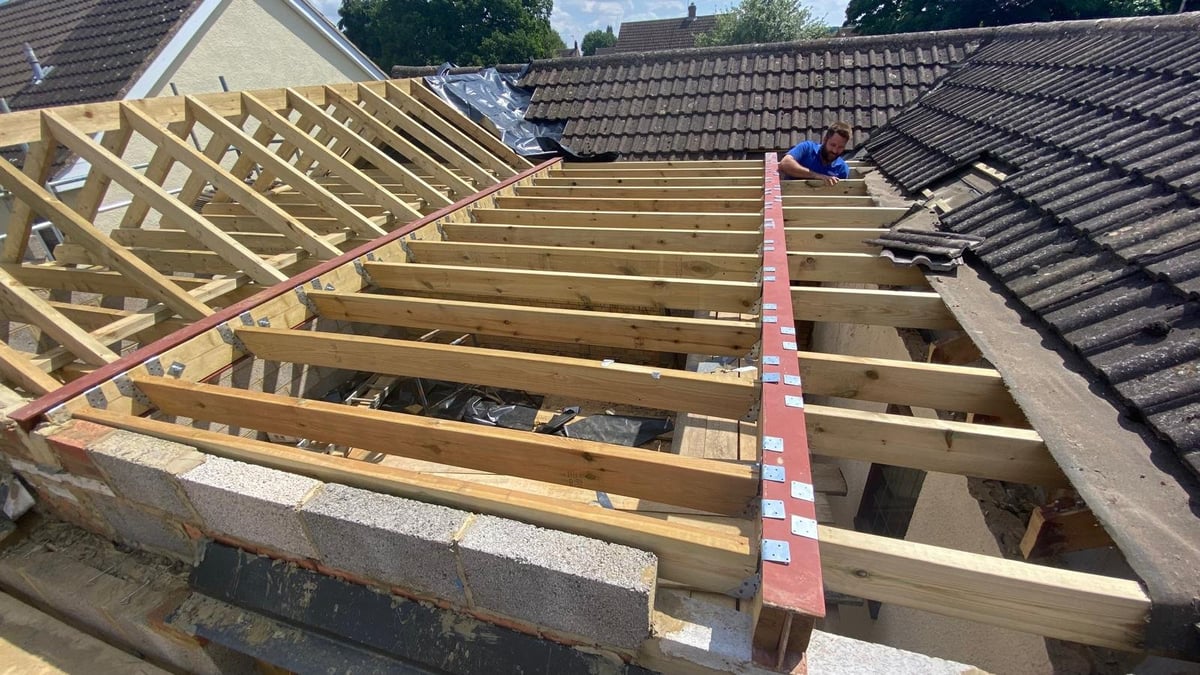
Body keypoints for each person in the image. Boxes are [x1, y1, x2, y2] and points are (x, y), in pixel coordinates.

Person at [779, 122, 851, 185]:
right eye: (833, 145)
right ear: (825, 140)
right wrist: (816, 176)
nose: (835, 150)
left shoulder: (842, 169)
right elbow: (785, 163)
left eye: (840, 147)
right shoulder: (807, 148)